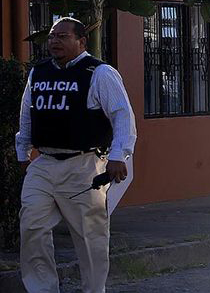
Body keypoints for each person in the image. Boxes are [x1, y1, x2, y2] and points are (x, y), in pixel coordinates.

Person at [16, 17, 137, 293]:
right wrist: (23, 152)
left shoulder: (99, 73)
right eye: (51, 37)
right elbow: (27, 114)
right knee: (32, 227)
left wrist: (120, 155)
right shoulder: (39, 72)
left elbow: (122, 115)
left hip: (85, 166)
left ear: (81, 41)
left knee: (90, 237)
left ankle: (93, 290)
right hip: (44, 164)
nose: (54, 41)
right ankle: (42, 288)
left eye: (62, 36)